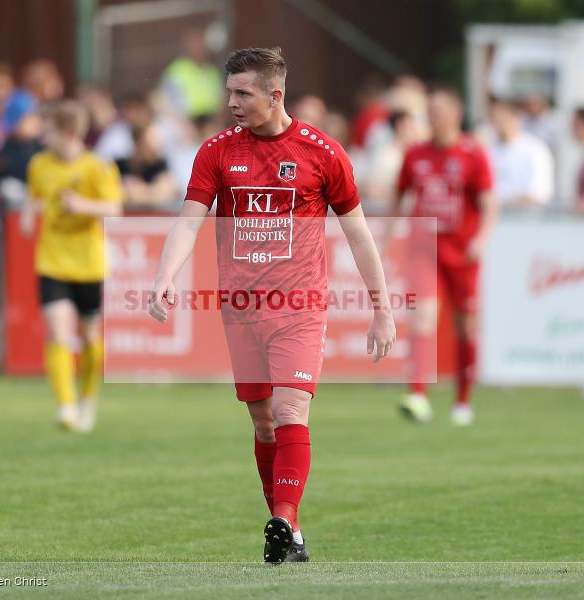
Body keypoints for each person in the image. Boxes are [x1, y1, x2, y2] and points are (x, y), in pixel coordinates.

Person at [147, 47, 396, 564]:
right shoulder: (217, 151)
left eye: (243, 93)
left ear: (274, 94)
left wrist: (382, 307)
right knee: (263, 423)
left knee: (289, 410)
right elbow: (190, 218)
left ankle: (282, 516)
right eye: (229, 92)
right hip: (239, 306)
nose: (231, 102)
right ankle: (292, 534)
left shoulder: (321, 152)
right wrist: (166, 274)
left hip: (300, 306)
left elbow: (360, 236)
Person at [391, 85, 498, 427]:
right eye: (429, 112)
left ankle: (463, 400)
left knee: (465, 324)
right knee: (422, 317)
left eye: (437, 111)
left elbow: (488, 202)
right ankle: (418, 395)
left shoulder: (472, 154)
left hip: (462, 252)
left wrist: (482, 237)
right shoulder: (416, 153)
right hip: (424, 249)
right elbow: (399, 193)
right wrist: (388, 233)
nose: (432, 118)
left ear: (455, 115)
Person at [22, 101, 123, 433]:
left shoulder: (97, 166)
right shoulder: (39, 164)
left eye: (48, 130)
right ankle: (65, 405)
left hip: (89, 263)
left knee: (90, 334)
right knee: (57, 330)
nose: (42, 136)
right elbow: (36, 196)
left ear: (66, 133)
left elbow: (114, 208)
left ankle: (88, 399)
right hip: (51, 259)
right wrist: (27, 211)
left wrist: (82, 205)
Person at [485, 97, 554, 207]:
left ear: (515, 118)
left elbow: (538, 195)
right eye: (493, 119)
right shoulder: (489, 149)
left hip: (526, 219)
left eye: (502, 118)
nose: (497, 124)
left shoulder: (536, 149)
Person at [114, 124, 178, 211]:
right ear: (137, 143)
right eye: (149, 145)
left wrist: (140, 191)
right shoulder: (118, 166)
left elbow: (168, 191)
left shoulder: (160, 164)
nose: (155, 150)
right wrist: (154, 191)